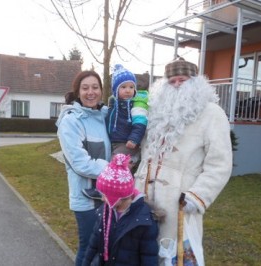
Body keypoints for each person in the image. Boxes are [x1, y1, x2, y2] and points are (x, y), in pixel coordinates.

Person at [134, 57, 233, 266]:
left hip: (179, 203)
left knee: (174, 257)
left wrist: (197, 197)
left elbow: (220, 163)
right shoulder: (155, 112)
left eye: (182, 80)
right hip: (141, 199)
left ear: (196, 83)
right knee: (141, 254)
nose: (177, 85)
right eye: (172, 81)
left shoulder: (212, 114)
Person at [56, 70, 112, 266]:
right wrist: (113, 169)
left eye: (95, 87)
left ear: (101, 91)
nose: (91, 92)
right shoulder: (71, 121)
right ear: (78, 92)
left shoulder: (104, 116)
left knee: (104, 248)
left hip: (107, 196)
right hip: (86, 199)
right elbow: (80, 163)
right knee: (89, 248)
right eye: (85, 88)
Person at [82, 64, 148, 200]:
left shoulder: (135, 105)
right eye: (123, 87)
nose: (128, 90)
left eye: (131, 87)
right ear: (115, 90)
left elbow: (140, 123)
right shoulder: (114, 104)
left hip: (127, 143)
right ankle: (127, 193)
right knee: (118, 169)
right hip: (115, 141)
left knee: (115, 168)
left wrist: (134, 139)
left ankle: (102, 192)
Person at [82, 154, 159, 266]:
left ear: (118, 197)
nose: (102, 199)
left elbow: (149, 258)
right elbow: (93, 245)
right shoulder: (105, 212)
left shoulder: (144, 222)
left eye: (105, 195)